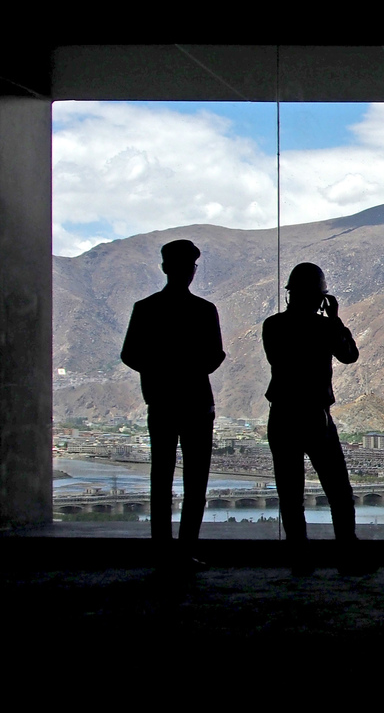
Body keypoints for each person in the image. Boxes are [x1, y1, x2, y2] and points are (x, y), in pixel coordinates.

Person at [120, 239, 225, 570]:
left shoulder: (146, 308)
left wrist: (159, 369)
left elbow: (130, 355)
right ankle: (185, 552)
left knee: (161, 478)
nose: (188, 273)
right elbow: (214, 357)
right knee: (196, 481)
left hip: (162, 403)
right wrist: (189, 366)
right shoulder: (204, 311)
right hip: (196, 403)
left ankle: (162, 551)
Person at [263, 262, 370, 575]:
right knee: (338, 489)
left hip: (282, 415)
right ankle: (348, 556)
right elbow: (349, 355)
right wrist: (334, 319)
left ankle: (300, 559)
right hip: (315, 417)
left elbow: (277, 358)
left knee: (290, 493)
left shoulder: (273, 326)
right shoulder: (323, 328)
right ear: (320, 296)